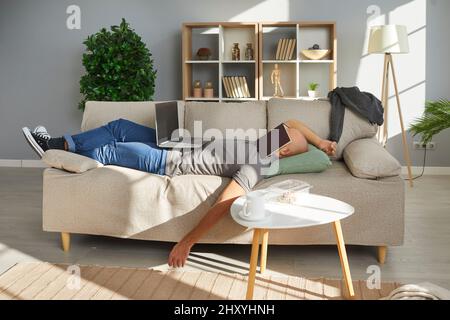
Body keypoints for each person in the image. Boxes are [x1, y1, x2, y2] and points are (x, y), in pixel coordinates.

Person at [22, 118, 337, 268]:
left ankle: (55, 153)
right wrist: (320, 141)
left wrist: (187, 241)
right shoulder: (263, 144)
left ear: (281, 154)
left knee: (112, 148)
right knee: (119, 126)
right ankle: (60, 144)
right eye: (279, 135)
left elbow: (226, 201)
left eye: (281, 141)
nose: (277, 135)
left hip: (167, 161)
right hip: (177, 142)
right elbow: (293, 125)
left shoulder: (257, 163)